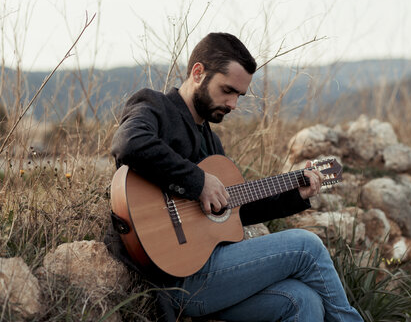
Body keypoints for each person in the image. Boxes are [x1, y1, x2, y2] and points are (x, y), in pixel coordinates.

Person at [105, 32, 363, 321]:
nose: (232, 105)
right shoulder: (155, 106)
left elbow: (235, 211)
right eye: (227, 90)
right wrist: (198, 181)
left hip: (210, 275)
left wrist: (295, 193)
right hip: (175, 277)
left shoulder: (213, 146)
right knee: (308, 246)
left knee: (303, 300)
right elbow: (128, 144)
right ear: (198, 72)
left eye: (238, 95)